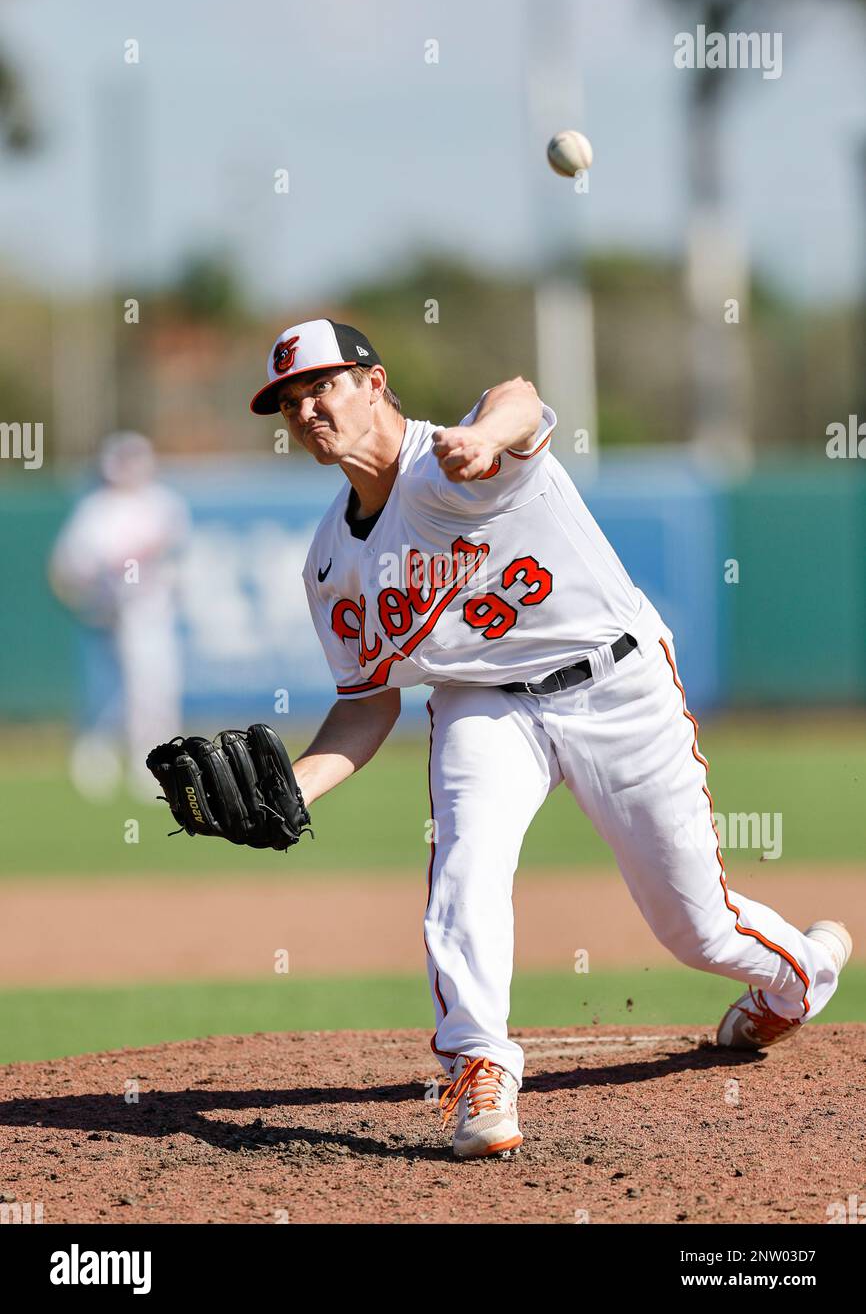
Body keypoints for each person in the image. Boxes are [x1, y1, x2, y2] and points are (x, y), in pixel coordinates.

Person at [251, 317, 852, 1160]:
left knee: (694, 927)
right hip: (482, 705)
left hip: (615, 684)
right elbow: (365, 705)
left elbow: (523, 401)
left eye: (322, 387)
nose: (307, 410)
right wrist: (294, 788)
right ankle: (479, 1065)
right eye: (289, 402)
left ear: (375, 384)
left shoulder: (454, 456)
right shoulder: (329, 563)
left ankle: (800, 974)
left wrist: (483, 436)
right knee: (466, 863)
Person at [50, 432, 190, 801]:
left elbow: (176, 555)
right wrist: (91, 599)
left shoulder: (163, 503)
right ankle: (97, 758)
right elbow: (68, 567)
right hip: (110, 613)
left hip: (152, 611)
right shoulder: (96, 509)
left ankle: (155, 766)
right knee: (111, 690)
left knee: (155, 689)